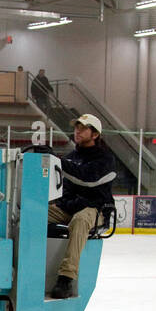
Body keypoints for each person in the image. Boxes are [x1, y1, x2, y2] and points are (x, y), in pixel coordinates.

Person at [47, 113, 115, 299]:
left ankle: (66, 278)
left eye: (83, 128)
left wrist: (57, 162)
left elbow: (87, 179)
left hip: (95, 209)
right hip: (69, 207)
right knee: (35, 214)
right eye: (77, 126)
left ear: (95, 134)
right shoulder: (72, 157)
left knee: (80, 220)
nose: (78, 130)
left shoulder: (105, 160)